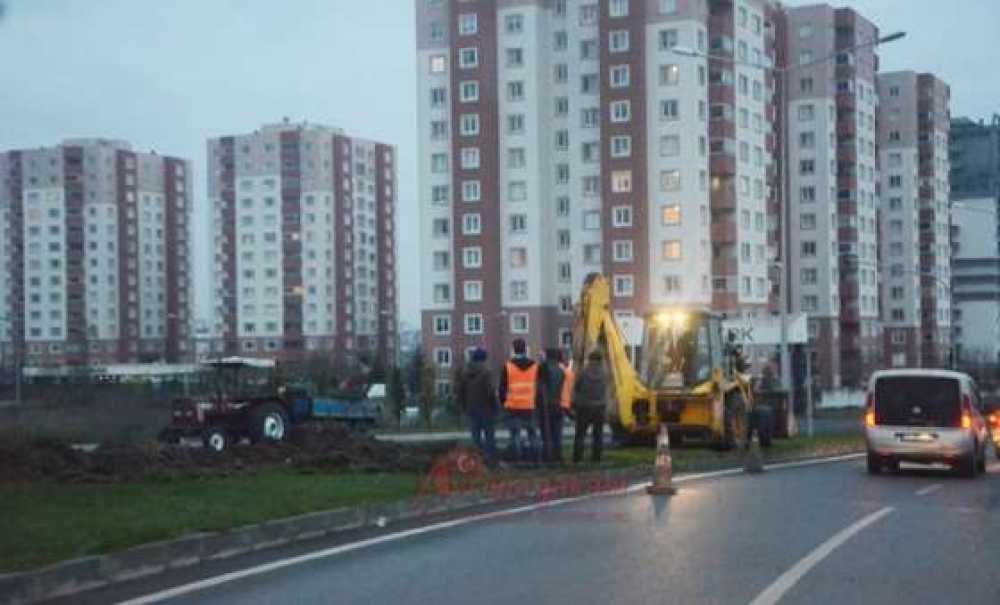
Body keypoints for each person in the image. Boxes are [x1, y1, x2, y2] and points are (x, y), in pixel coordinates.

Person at [499, 338, 547, 463]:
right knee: (532, 433)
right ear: (525, 349)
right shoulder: (535, 366)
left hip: (513, 405)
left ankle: (517, 460)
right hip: (529, 405)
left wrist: (503, 402)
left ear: (513, 349)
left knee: (515, 434)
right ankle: (537, 458)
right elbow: (542, 382)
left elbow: (502, 388)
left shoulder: (508, 366)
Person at [455, 348, 499, 461]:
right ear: (483, 359)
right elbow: (490, 392)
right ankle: (490, 460)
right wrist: (495, 407)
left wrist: (464, 407)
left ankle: (477, 461)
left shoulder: (465, 373)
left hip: (471, 410)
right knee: (489, 436)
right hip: (486, 410)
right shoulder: (486, 372)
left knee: (476, 438)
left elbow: (460, 392)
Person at [573, 350, 608, 463]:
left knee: (580, 434)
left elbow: (576, 387)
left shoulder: (583, 372)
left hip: (584, 406)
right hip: (599, 407)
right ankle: (596, 457)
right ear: (600, 360)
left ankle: (577, 458)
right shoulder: (604, 373)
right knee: (598, 434)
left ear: (589, 359)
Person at [538, 349, 566, 463]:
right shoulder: (561, 370)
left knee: (546, 433)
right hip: (558, 404)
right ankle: (558, 456)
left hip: (546, 405)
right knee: (557, 433)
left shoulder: (543, 368)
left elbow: (541, 387)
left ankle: (547, 457)